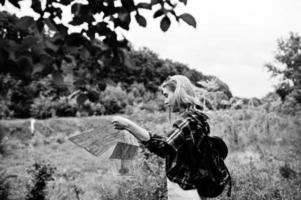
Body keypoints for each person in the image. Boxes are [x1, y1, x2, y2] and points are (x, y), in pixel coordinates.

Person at [112, 75, 211, 200]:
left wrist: (129, 125)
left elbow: (164, 147)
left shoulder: (186, 120)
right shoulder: (198, 118)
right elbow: (170, 143)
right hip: (195, 188)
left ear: (177, 93)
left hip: (185, 190)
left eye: (166, 95)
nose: (165, 101)